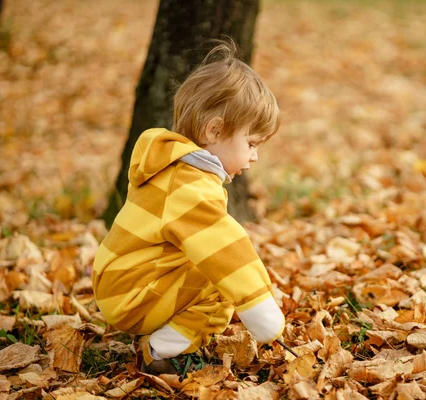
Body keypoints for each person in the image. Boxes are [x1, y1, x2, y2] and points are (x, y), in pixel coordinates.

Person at [92, 40, 285, 374]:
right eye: (251, 144)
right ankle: (162, 351)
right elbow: (225, 246)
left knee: (216, 270)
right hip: (132, 293)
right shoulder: (189, 185)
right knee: (222, 278)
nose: (254, 156)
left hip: (124, 283)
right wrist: (259, 304)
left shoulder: (172, 167)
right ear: (214, 130)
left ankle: (162, 337)